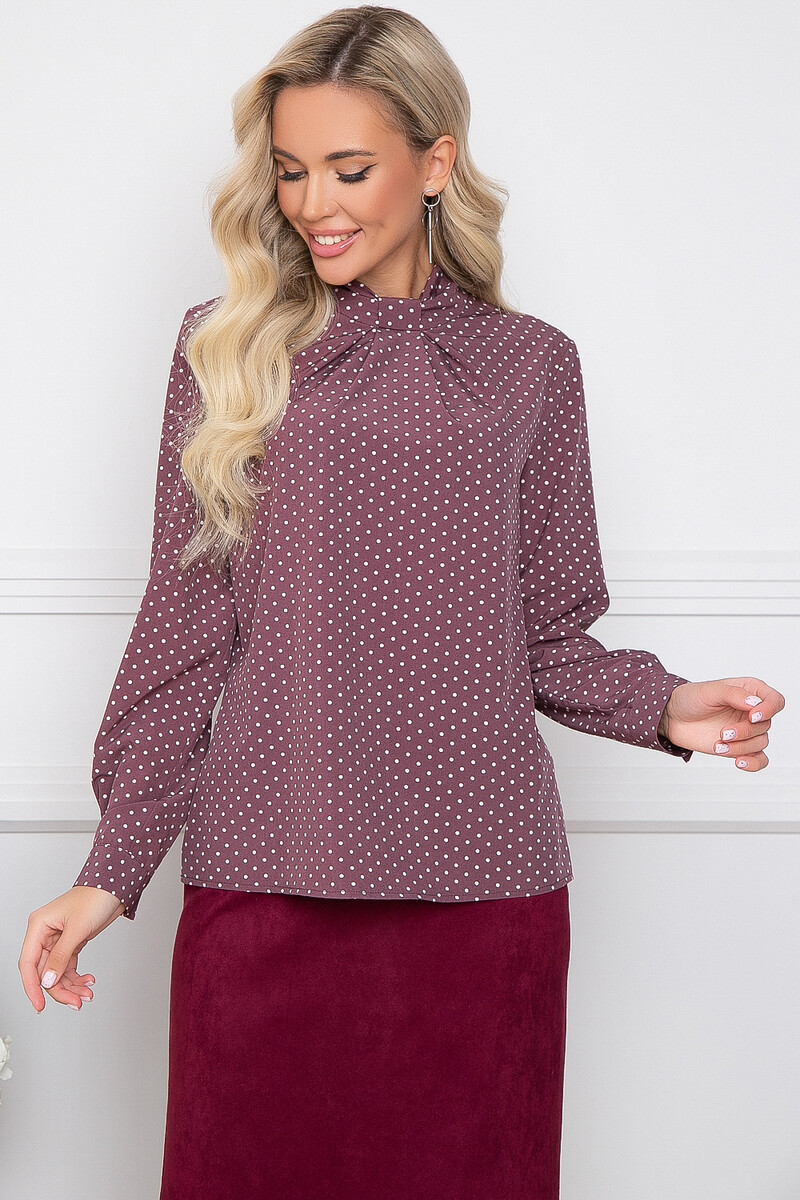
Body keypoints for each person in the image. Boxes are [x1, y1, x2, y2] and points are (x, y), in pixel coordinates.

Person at [18, 6, 785, 1198]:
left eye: (347, 168)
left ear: (434, 164)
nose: (312, 204)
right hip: (265, 884)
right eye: (289, 170)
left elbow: (545, 633)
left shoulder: (530, 365)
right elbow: (184, 635)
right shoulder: (225, 353)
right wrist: (109, 871)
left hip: (483, 900)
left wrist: (664, 706)